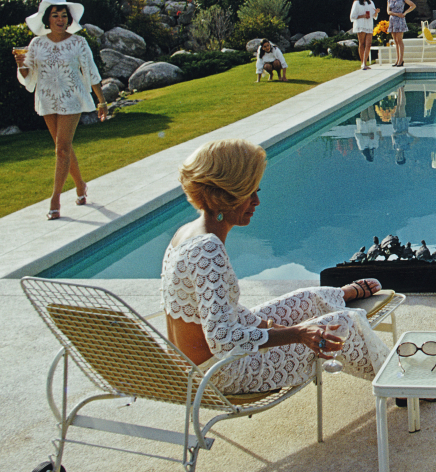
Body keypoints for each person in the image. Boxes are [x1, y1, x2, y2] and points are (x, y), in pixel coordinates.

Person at [160, 139, 391, 392]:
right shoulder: (208, 249)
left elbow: (224, 310)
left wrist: (275, 327)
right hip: (222, 373)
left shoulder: (187, 234)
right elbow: (222, 339)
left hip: (199, 365)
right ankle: (401, 383)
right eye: (250, 193)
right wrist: (298, 334)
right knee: (347, 323)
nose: (257, 202)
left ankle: (340, 294)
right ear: (227, 194)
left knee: (306, 298)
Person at [16, 0, 108, 220]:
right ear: (47, 19)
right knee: (63, 147)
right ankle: (80, 185)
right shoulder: (36, 44)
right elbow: (29, 76)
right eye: (55, 15)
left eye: (64, 15)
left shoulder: (79, 42)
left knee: (62, 148)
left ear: (69, 19)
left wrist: (102, 100)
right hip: (47, 99)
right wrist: (21, 65)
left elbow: (91, 73)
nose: (60, 19)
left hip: (72, 98)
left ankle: (55, 198)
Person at [385, 0, 416, 67]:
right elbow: (388, 11)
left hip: (400, 21)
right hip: (392, 20)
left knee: (399, 40)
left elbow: (412, 5)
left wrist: (405, 13)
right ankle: (397, 59)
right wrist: (396, 14)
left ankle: (401, 60)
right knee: (395, 41)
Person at [350, 0, 378, 69]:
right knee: (361, 43)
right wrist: (363, 16)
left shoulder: (371, 2)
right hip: (360, 25)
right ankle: (363, 63)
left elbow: (374, 16)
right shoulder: (356, 3)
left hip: (369, 25)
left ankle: (365, 62)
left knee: (368, 44)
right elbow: (352, 16)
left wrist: (376, 12)